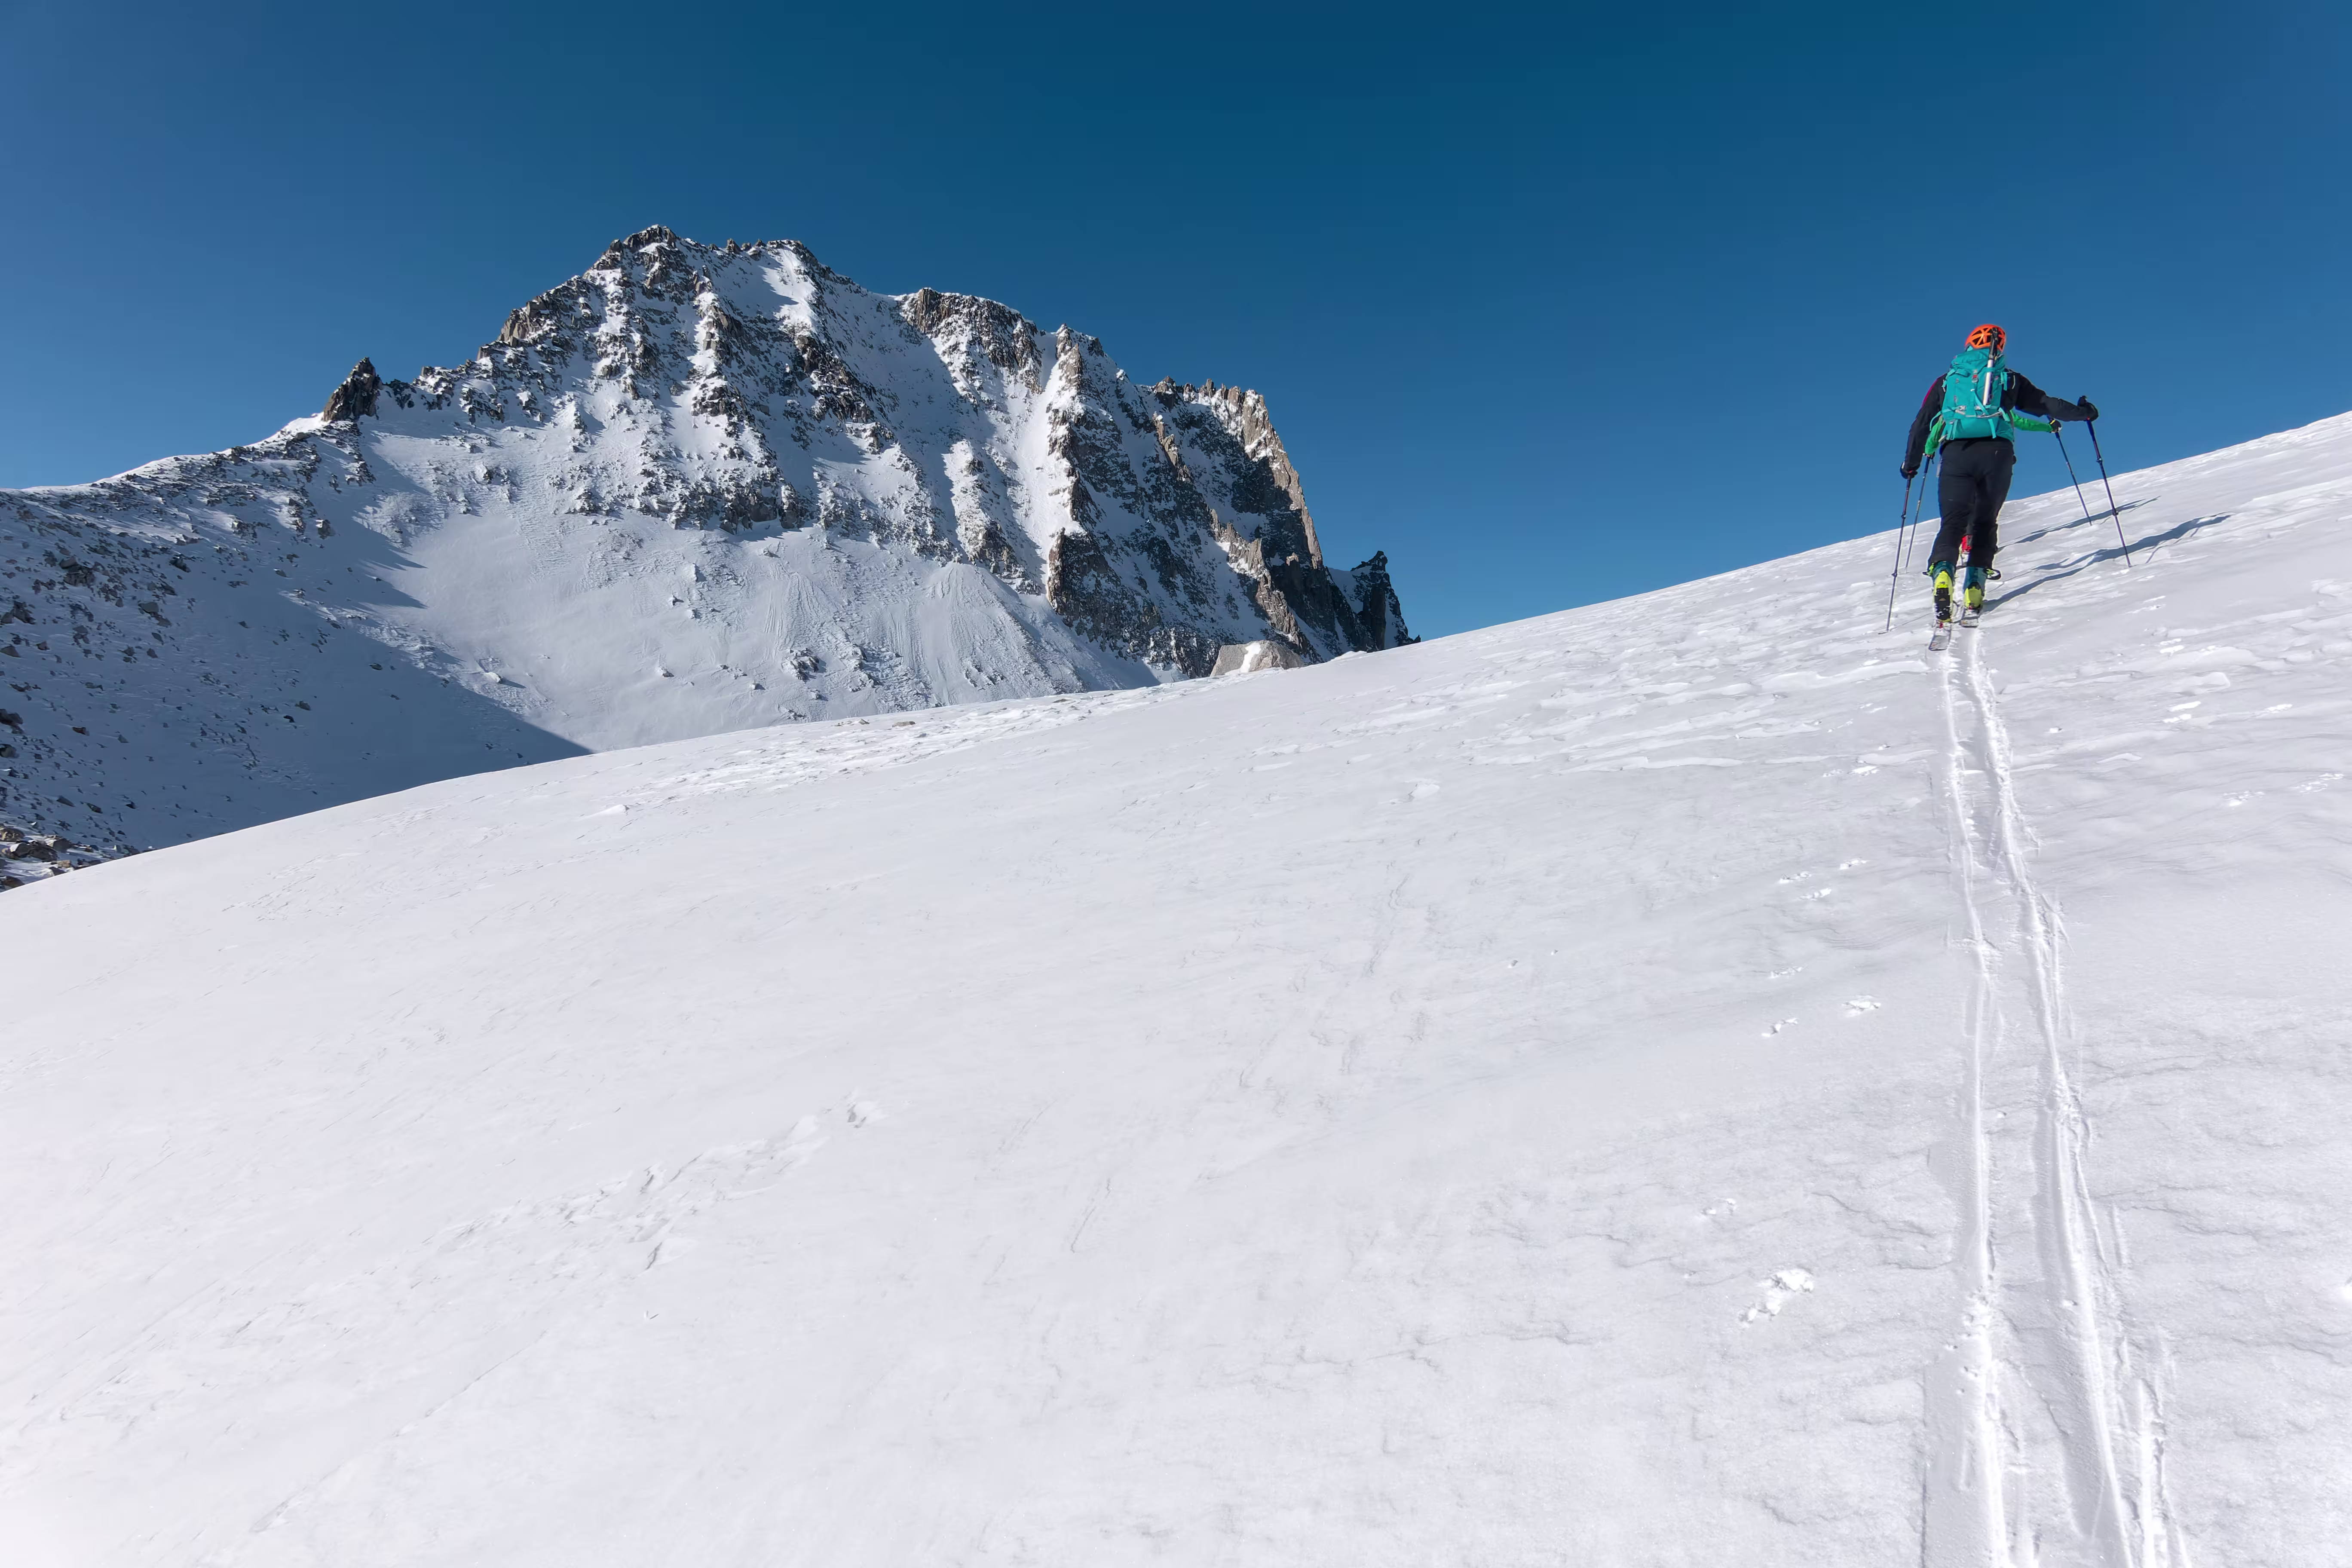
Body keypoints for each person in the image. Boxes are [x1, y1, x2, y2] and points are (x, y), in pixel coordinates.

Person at [1901, 324, 2099, 621]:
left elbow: (1921, 423)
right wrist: (2085, 412)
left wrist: (1911, 463)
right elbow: (2048, 405)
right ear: (2001, 347)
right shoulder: (2009, 379)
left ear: (1968, 345)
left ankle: (1943, 573)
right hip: (1997, 454)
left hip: (1956, 454)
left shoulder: (1947, 381)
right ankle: (1975, 584)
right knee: (1984, 521)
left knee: (1953, 522)